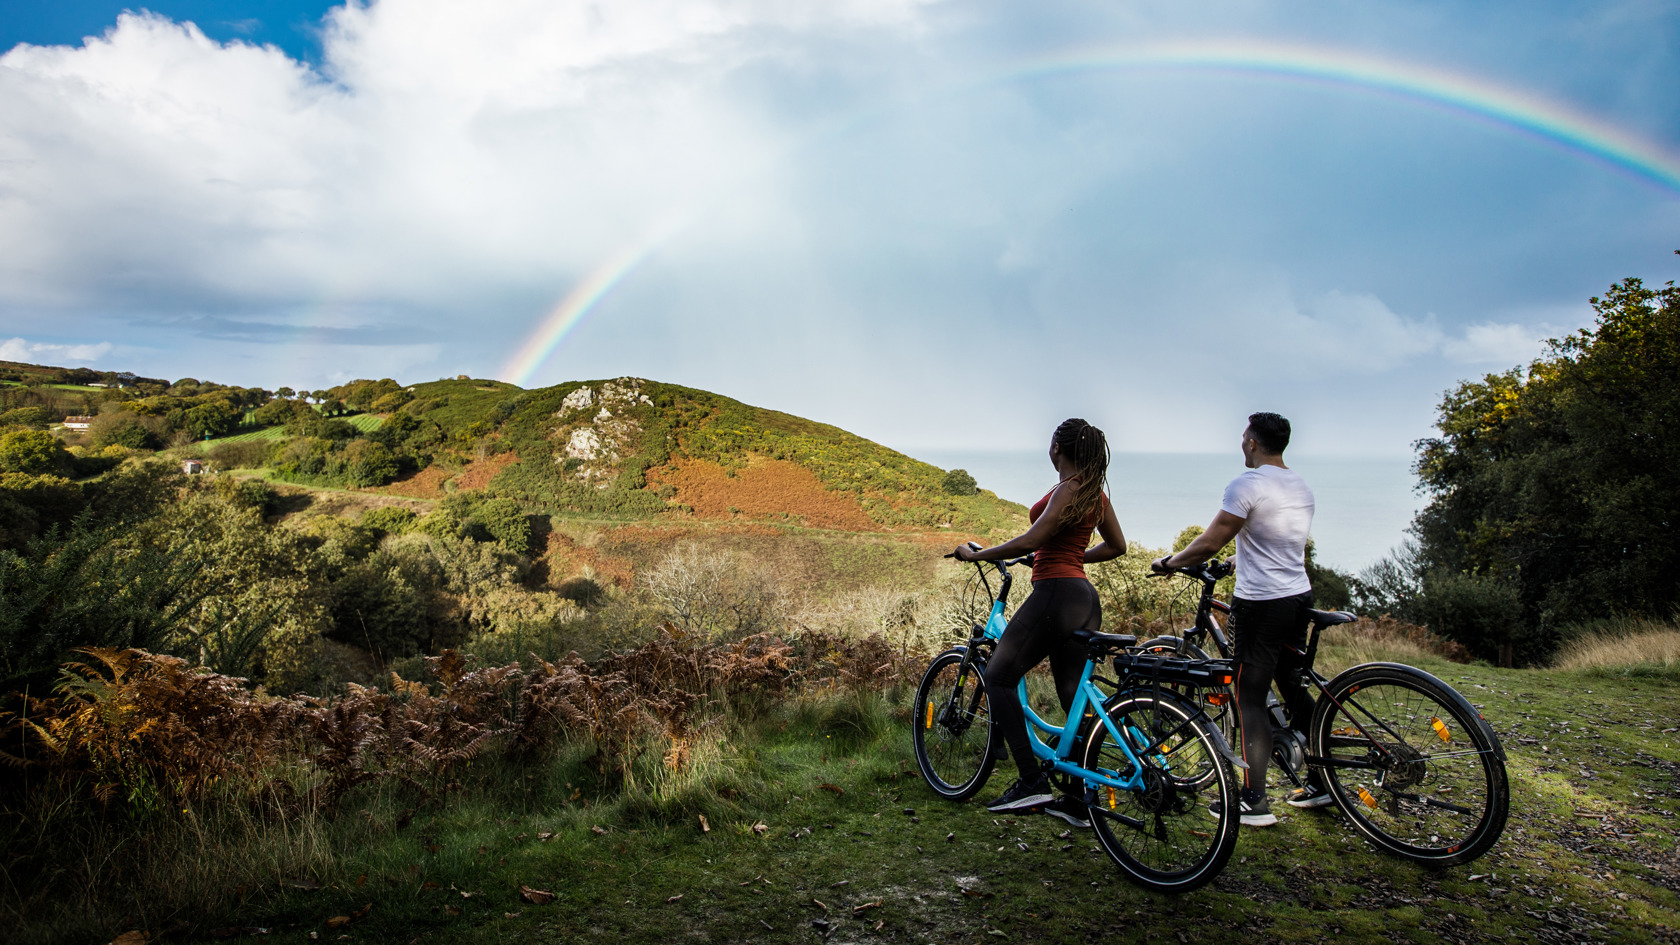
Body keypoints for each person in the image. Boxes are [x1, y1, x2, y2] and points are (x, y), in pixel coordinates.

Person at [1150, 412, 1325, 827]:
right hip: (1297, 595)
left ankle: (1254, 800)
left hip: (1261, 605)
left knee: (1248, 698)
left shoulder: (1247, 483)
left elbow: (1210, 540)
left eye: (1243, 437)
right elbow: (1278, 539)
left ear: (1251, 442)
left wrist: (1170, 563)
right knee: (1291, 684)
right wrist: (1238, 557)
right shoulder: (1298, 483)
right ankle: (1322, 781)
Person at [953, 418, 1127, 826]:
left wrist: (976, 555)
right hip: (1083, 596)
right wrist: (1071, 557)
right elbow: (1117, 546)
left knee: (997, 676)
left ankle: (1031, 782)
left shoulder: (1068, 489)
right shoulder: (1093, 494)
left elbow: (1033, 537)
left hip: (1055, 594)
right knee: (1071, 696)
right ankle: (1082, 798)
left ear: (1057, 448)